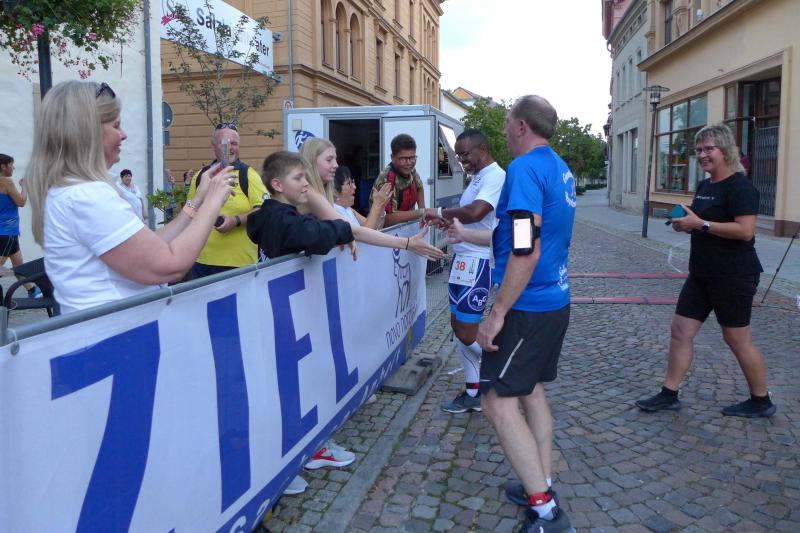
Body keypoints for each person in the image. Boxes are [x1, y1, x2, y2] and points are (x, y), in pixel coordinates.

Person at [25, 80, 235, 314]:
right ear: (89, 132)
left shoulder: (74, 190)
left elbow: (151, 245)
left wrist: (197, 201)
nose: (123, 135)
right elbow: (170, 265)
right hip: (113, 331)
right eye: (116, 125)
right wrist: (213, 201)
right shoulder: (87, 196)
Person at [476, 95, 575, 533]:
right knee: (531, 390)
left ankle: (546, 511)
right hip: (554, 300)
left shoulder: (523, 169)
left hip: (527, 307)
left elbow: (524, 247)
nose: (503, 131)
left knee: (496, 401)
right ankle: (542, 482)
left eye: (506, 123)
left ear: (520, 126)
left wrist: (497, 312)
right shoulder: (559, 166)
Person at [636, 123, 775, 418]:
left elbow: (745, 231)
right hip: (701, 274)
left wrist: (701, 224)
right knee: (680, 331)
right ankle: (669, 394)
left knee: (736, 339)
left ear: (725, 151)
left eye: (708, 149)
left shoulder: (740, 187)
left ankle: (761, 400)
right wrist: (686, 223)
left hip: (734, 275)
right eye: (698, 150)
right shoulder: (705, 186)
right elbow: (701, 223)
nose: (701, 155)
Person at [423, 129, 506, 414]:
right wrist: (450, 223)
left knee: (467, 331)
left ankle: (503, 371)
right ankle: (473, 392)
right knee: (458, 328)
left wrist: (441, 213)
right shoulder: (477, 177)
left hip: (479, 262)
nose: (462, 160)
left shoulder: (496, 176)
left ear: (482, 148)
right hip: (461, 261)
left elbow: (475, 213)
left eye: (465, 154)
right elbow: (469, 219)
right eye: (458, 156)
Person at [187, 123, 267, 278]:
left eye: (234, 143)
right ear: (214, 146)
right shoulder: (201, 176)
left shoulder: (248, 174)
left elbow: (264, 210)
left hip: (240, 263)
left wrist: (236, 220)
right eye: (223, 143)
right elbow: (190, 211)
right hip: (202, 262)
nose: (229, 147)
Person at [0, 153, 41, 297]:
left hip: (8, 232)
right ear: (3, 166)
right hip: (7, 232)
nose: (13, 168)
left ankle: (32, 291)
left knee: (18, 266)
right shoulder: (6, 181)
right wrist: (24, 187)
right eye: (11, 165)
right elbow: (21, 202)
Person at [371, 134, 426, 227]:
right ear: (392, 157)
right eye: (403, 159)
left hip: (407, 226)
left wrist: (422, 212)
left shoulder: (411, 170)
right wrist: (422, 212)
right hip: (386, 230)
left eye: (412, 158)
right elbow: (388, 218)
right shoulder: (387, 179)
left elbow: (419, 187)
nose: (408, 163)